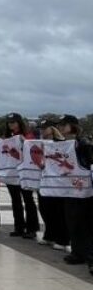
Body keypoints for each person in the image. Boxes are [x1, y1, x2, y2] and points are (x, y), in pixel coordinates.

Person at [56, 115, 93, 269]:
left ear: (72, 126)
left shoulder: (82, 142)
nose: (61, 128)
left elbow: (89, 161)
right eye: (60, 125)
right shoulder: (63, 144)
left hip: (82, 188)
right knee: (71, 220)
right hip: (69, 187)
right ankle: (77, 251)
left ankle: (86, 253)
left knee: (83, 221)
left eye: (64, 125)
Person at [2, 113, 40, 239]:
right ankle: (19, 226)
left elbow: (33, 148)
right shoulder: (7, 136)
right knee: (15, 201)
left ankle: (32, 228)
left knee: (28, 200)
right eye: (9, 122)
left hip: (24, 173)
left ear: (19, 122)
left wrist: (25, 142)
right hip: (12, 172)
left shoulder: (27, 135)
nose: (11, 124)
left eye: (13, 122)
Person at [35, 119, 69, 250]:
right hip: (44, 180)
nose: (42, 130)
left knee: (58, 210)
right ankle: (49, 234)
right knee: (45, 208)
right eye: (41, 128)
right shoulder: (39, 143)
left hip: (59, 182)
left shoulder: (62, 143)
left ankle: (63, 238)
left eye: (45, 128)